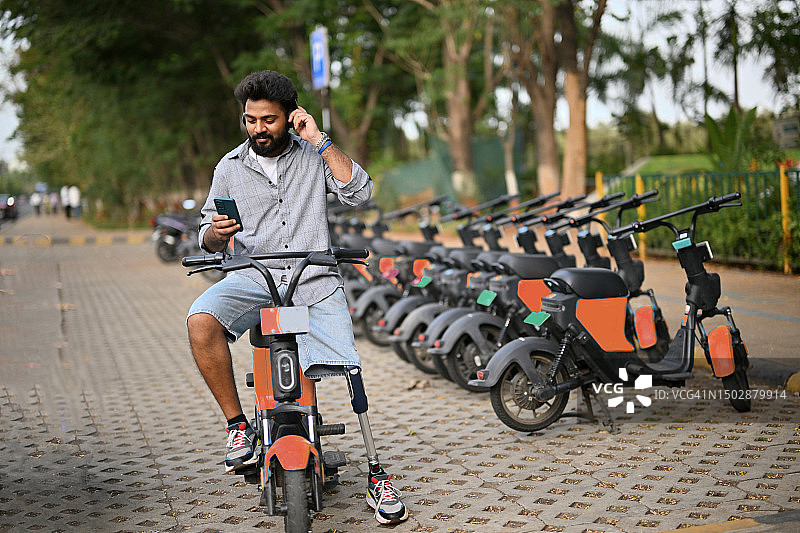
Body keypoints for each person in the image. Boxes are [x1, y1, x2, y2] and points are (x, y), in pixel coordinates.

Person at [186, 70, 408, 525]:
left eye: (268, 120)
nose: (257, 129)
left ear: (291, 117)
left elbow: (360, 193)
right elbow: (206, 237)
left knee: (349, 364)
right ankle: (238, 428)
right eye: (250, 120)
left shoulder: (313, 155)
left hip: (313, 278)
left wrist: (320, 139)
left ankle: (376, 474)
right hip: (254, 275)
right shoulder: (229, 168)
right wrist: (215, 234)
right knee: (200, 320)